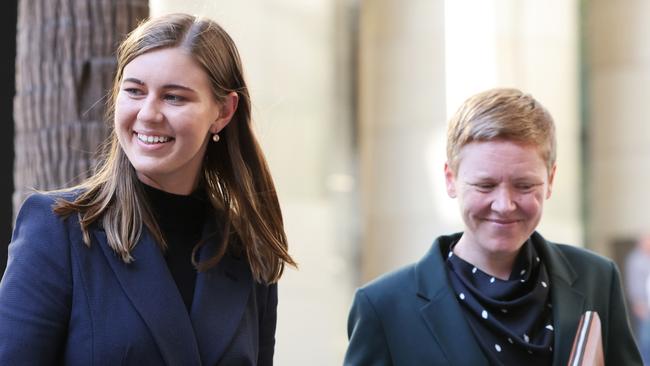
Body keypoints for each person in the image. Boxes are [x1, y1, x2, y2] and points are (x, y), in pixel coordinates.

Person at [0, 13, 295, 365]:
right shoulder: (57, 229)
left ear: (223, 111)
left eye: (174, 97)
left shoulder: (249, 249)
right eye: (135, 91)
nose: (148, 114)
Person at [344, 88, 642, 365]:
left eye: (524, 185)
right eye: (485, 185)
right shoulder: (384, 307)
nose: (504, 204)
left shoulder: (598, 279)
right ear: (451, 179)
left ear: (550, 180)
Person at [625, 235, 650, 363]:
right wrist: (638, 303)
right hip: (644, 307)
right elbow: (633, 283)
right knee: (646, 340)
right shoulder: (636, 260)